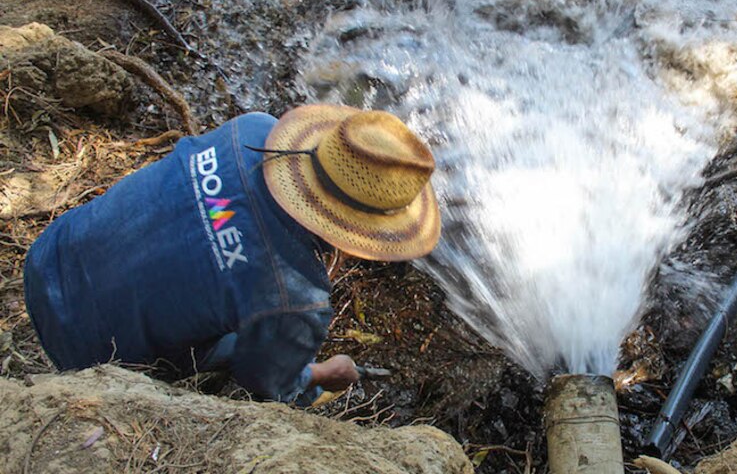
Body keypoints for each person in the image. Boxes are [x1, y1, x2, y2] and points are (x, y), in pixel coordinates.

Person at [23, 104, 441, 405]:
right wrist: (322, 374)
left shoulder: (253, 130)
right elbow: (266, 382)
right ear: (365, 230)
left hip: (48, 257)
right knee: (261, 351)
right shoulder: (296, 298)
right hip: (85, 353)